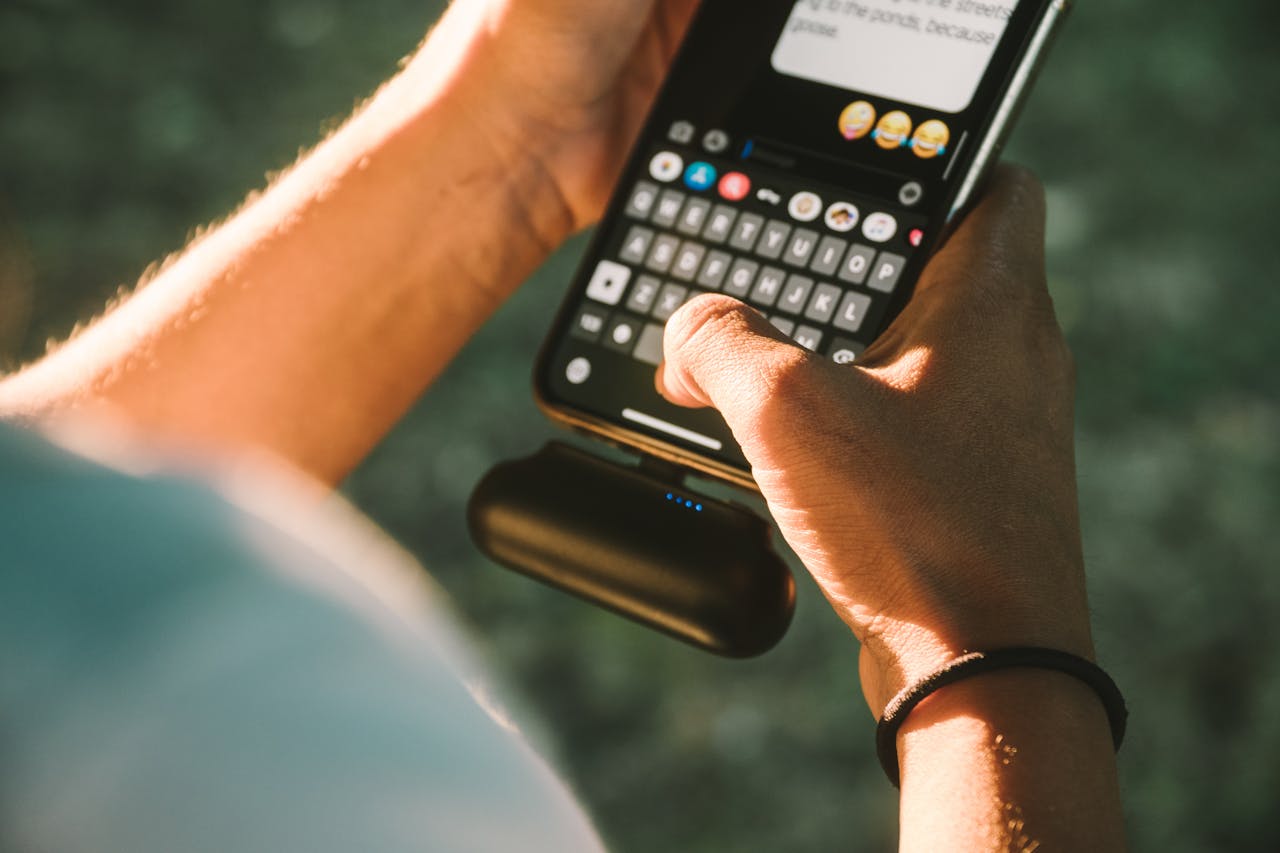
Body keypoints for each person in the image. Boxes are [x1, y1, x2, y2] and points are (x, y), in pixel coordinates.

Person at [0, 1, 1127, 850]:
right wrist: (988, 646)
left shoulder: (88, 618)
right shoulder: (196, 697)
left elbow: (54, 532)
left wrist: (507, 138)